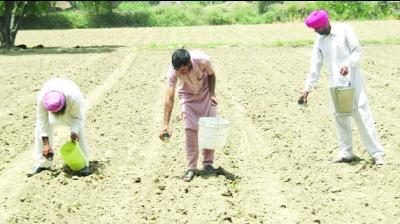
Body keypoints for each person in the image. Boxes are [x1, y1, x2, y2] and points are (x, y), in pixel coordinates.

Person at [298, 10, 385, 165]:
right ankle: (346, 153)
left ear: (325, 22)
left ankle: (377, 154)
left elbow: (358, 51)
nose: (316, 32)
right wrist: (307, 89)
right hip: (335, 84)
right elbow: (315, 65)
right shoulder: (320, 39)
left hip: (353, 82)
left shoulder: (345, 29)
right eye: (314, 30)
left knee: (362, 116)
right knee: (340, 117)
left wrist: (348, 65)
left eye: (318, 28)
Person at [159, 48, 218, 182]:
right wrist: (165, 124)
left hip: (204, 93)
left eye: (184, 70)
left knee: (208, 128)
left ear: (189, 63)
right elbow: (169, 97)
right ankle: (192, 167)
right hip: (187, 97)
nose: (181, 73)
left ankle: (208, 164)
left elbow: (211, 75)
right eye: (179, 71)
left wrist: (212, 93)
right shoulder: (173, 72)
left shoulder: (202, 60)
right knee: (190, 130)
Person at [28, 78, 90, 176]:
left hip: (72, 102)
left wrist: (73, 132)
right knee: (39, 129)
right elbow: (42, 121)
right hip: (51, 99)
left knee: (78, 131)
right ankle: (43, 164)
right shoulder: (42, 98)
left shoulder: (73, 97)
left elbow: (77, 118)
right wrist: (46, 144)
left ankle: (83, 165)